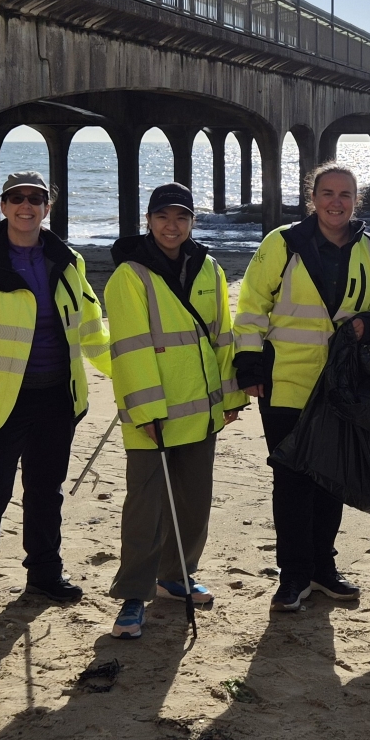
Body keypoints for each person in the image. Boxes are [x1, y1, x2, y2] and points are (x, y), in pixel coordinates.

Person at [0, 171, 111, 631]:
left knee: (45, 492)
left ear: (48, 207)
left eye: (36, 199)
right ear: (3, 206)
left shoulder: (68, 260)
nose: (26, 207)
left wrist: (132, 372)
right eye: (17, 199)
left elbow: (93, 332)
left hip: (58, 400)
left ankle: (44, 574)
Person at [234, 163, 370, 611]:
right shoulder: (283, 244)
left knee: (332, 478)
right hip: (285, 381)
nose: (336, 202)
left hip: (341, 384)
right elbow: (251, 306)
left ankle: (324, 570)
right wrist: (249, 363)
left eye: (345, 194)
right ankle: (292, 577)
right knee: (291, 481)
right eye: (327, 193)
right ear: (313, 198)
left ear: (356, 199)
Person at [104, 183, 247, 639]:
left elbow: (223, 336)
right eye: (163, 216)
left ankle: (176, 577)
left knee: (192, 502)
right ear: (148, 220)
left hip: (201, 409)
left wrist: (230, 397)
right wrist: (145, 409)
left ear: (192, 222)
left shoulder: (210, 268)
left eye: (182, 217)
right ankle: (132, 597)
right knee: (146, 508)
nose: (172, 225)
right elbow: (129, 347)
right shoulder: (130, 274)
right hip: (154, 415)